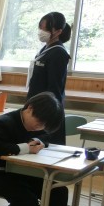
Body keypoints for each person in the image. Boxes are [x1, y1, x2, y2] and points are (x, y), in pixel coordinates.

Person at [26, 11, 72, 144]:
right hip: (36, 106)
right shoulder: (45, 49)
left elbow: (54, 88)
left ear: (58, 31)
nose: (41, 31)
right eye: (40, 27)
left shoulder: (59, 53)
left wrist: (46, 113)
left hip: (47, 111)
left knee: (45, 147)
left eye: (45, 29)